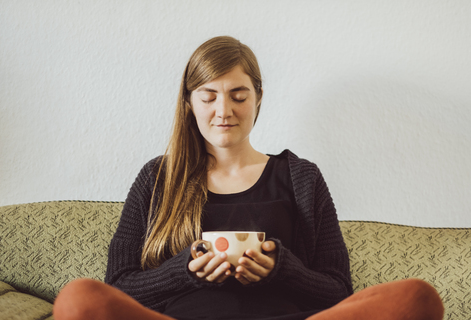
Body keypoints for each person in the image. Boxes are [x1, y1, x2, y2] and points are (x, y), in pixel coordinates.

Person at [53, 36, 444, 320]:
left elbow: (339, 291)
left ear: (258, 98)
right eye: (208, 96)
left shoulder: (301, 177)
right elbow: (117, 286)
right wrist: (185, 273)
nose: (223, 110)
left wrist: (280, 270)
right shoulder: (157, 177)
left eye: (238, 95)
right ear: (189, 104)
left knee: (417, 297)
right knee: (78, 298)